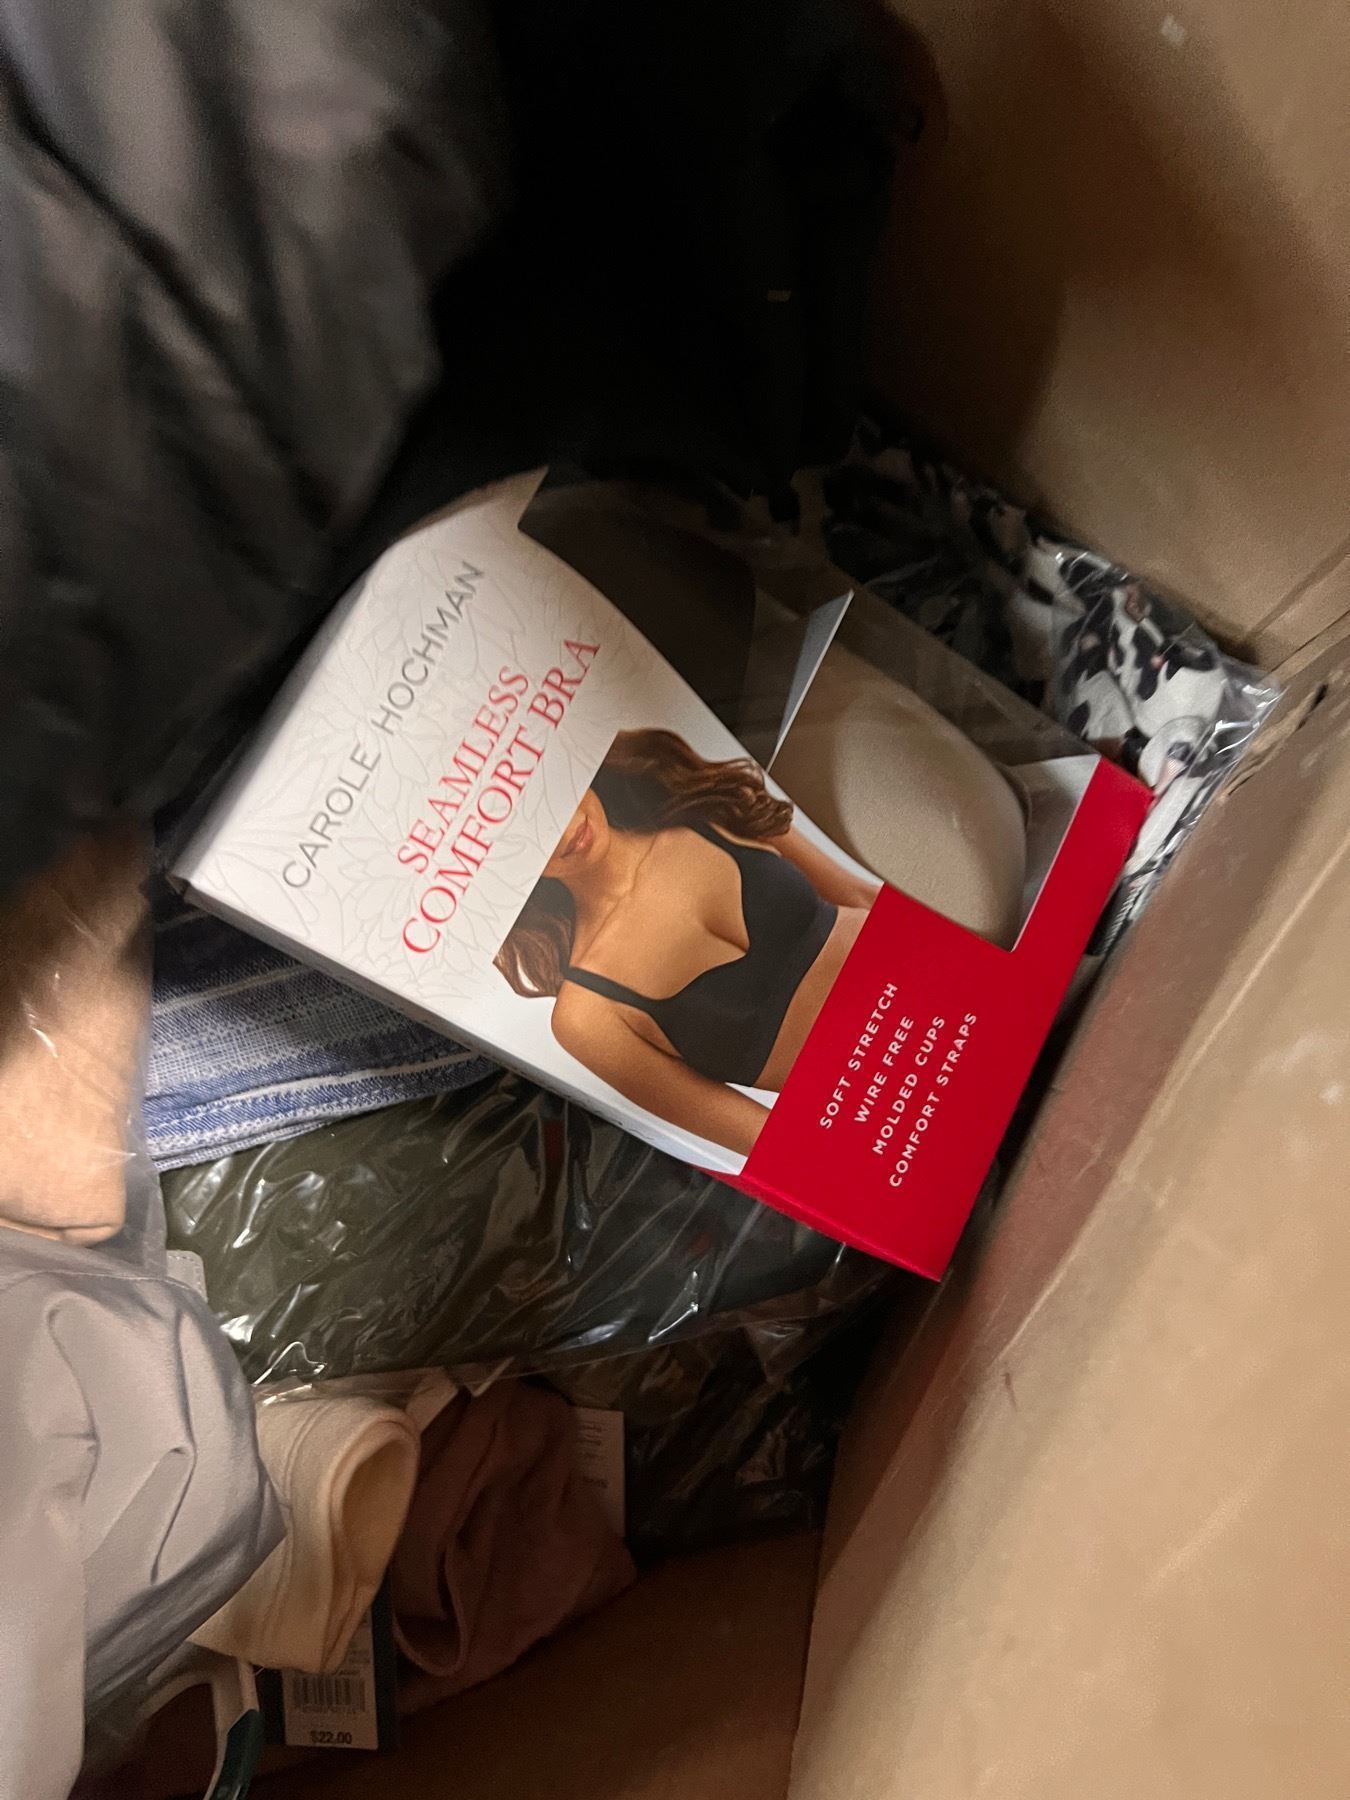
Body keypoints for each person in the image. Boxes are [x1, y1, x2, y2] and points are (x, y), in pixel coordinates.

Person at [495, 729, 880, 1156]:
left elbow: (862, 896)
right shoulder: (587, 1015)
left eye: (547, 792)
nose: (564, 828)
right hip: (886, 1099)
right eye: (522, 831)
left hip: (924, 978)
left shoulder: (698, 800)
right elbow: (772, 1142)